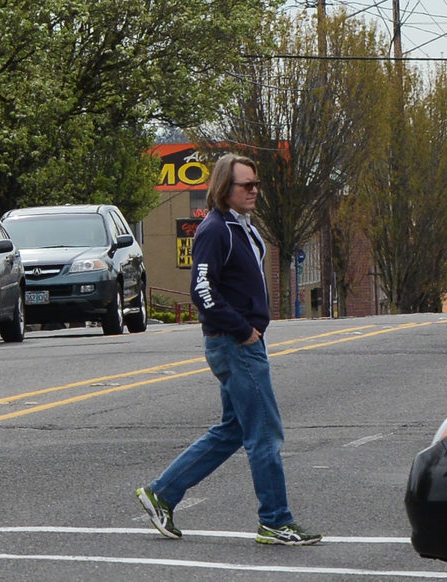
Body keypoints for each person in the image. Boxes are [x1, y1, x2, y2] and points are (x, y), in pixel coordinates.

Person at [134, 153, 321, 546]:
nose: (254, 191)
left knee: (233, 430)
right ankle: (275, 520)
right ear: (224, 188)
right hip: (235, 344)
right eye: (246, 185)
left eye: (256, 184)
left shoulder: (244, 228)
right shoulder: (215, 230)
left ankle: (161, 493)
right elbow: (201, 290)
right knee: (265, 434)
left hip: (242, 342)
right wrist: (244, 332)